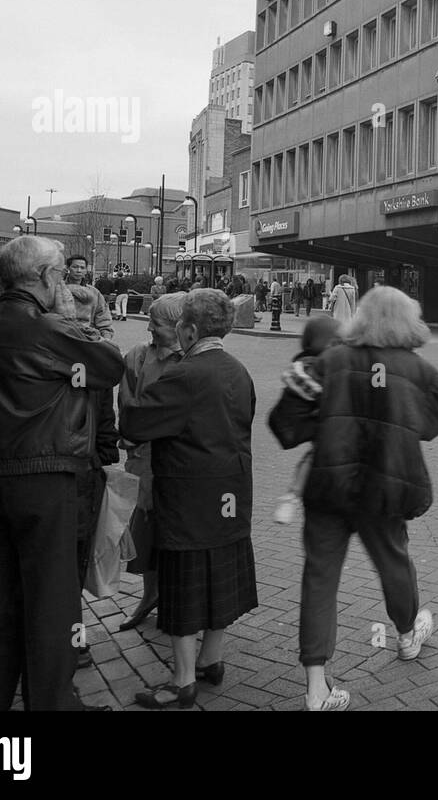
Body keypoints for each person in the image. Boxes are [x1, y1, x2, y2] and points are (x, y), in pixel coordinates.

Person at [0, 236, 124, 709]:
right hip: (42, 475)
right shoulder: (51, 329)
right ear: (43, 277)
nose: (64, 280)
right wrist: (61, 316)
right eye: (59, 272)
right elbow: (108, 367)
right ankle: (53, 703)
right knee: (51, 599)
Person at [269, 286, 438, 711]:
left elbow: (285, 425)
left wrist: (325, 420)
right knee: (394, 560)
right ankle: (409, 634)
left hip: (328, 486)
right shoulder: (415, 369)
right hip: (385, 487)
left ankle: (316, 687)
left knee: (319, 578)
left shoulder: (329, 362)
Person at [120, 289, 259, 709]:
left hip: (188, 491)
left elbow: (137, 423)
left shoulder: (184, 374)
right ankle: (211, 658)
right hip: (232, 487)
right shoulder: (238, 370)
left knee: (183, 578)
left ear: (190, 329)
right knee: (221, 572)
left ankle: (182, 679)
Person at [116, 292, 187, 631]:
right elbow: (129, 407)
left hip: (180, 464)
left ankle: (176, 600)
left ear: (180, 327)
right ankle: (150, 596)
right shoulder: (138, 356)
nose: (149, 328)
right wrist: (134, 440)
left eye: (156, 323)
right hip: (145, 459)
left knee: (177, 534)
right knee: (146, 533)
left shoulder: (192, 360)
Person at [66, 285, 120, 669]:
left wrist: (104, 462)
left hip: (82, 470)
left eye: (90, 325)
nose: (87, 331)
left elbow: (105, 421)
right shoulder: (88, 359)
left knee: (72, 561)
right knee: (69, 562)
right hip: (72, 471)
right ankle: (71, 641)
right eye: (78, 323)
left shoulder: (95, 359)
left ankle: (71, 636)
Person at [272, 314, 343, 525]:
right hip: (328, 437)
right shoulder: (314, 364)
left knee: (311, 459)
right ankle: (291, 496)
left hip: (325, 437)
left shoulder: (313, 361)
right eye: (335, 341)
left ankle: (292, 496)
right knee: (313, 458)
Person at [65, 255, 114, 339]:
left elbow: (103, 317)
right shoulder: (58, 289)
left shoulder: (94, 293)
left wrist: (106, 338)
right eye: (75, 267)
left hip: (88, 338)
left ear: (86, 270)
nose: (79, 270)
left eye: (82, 267)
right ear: (68, 268)